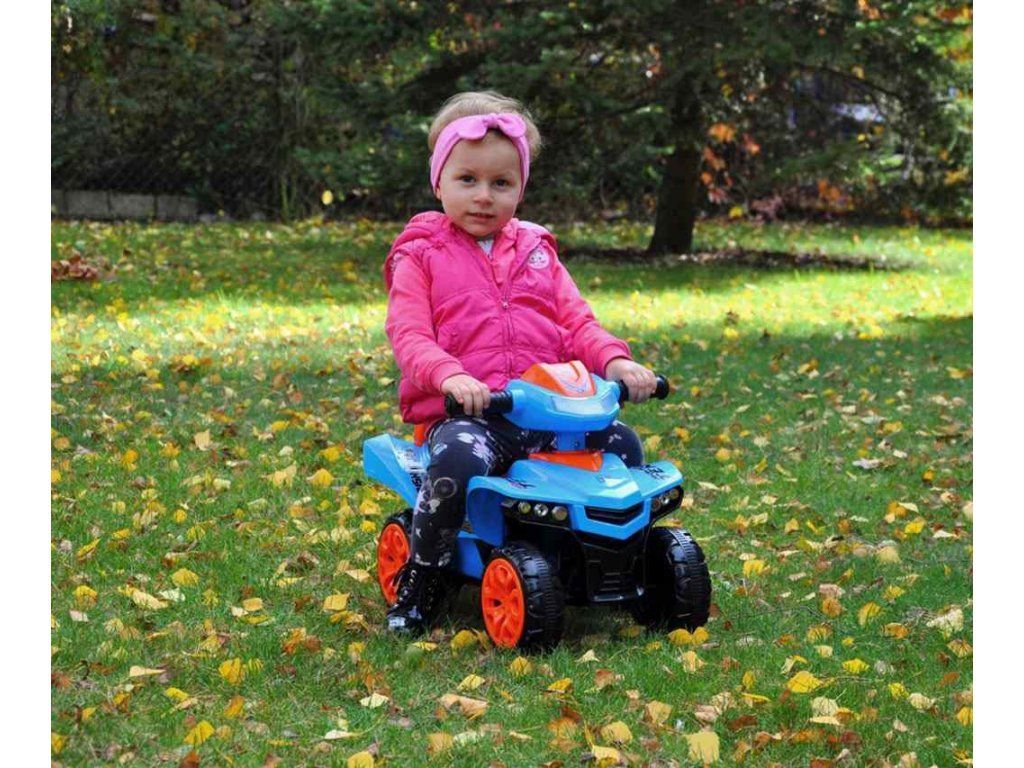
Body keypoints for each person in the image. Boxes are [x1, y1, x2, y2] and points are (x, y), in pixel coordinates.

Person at [382, 91, 658, 635]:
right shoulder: (421, 255)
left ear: (520, 188)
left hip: (548, 416)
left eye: (501, 183)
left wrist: (616, 362)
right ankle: (426, 576)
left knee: (622, 445)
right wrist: (451, 376)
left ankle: (617, 560)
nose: (484, 196)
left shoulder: (537, 252)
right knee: (455, 463)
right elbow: (409, 335)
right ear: (439, 182)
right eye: (467, 179)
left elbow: (576, 323)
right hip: (473, 417)